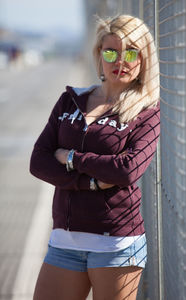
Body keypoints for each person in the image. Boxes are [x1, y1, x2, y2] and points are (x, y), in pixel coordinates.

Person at [30, 14, 160, 300]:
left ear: (144, 59)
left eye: (131, 53)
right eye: (111, 52)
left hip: (116, 245)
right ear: (99, 55)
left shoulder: (147, 112)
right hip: (64, 240)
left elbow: (127, 170)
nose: (120, 61)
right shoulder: (70, 100)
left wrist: (72, 157)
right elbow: (39, 161)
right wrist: (89, 183)